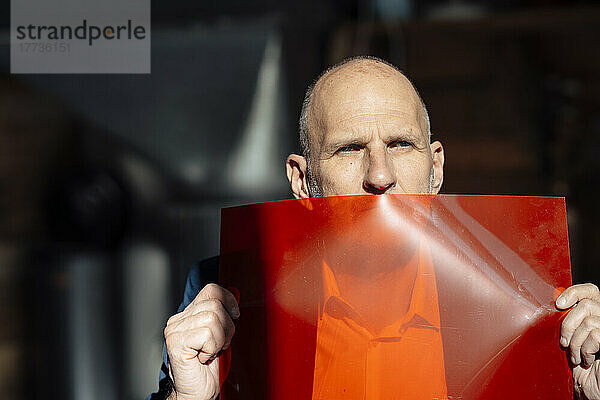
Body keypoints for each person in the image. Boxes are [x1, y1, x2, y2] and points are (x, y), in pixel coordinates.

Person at [148, 56, 600, 400]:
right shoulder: (224, 297)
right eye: (349, 149)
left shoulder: (529, 303)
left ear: (435, 168)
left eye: (401, 144)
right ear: (303, 182)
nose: (380, 175)